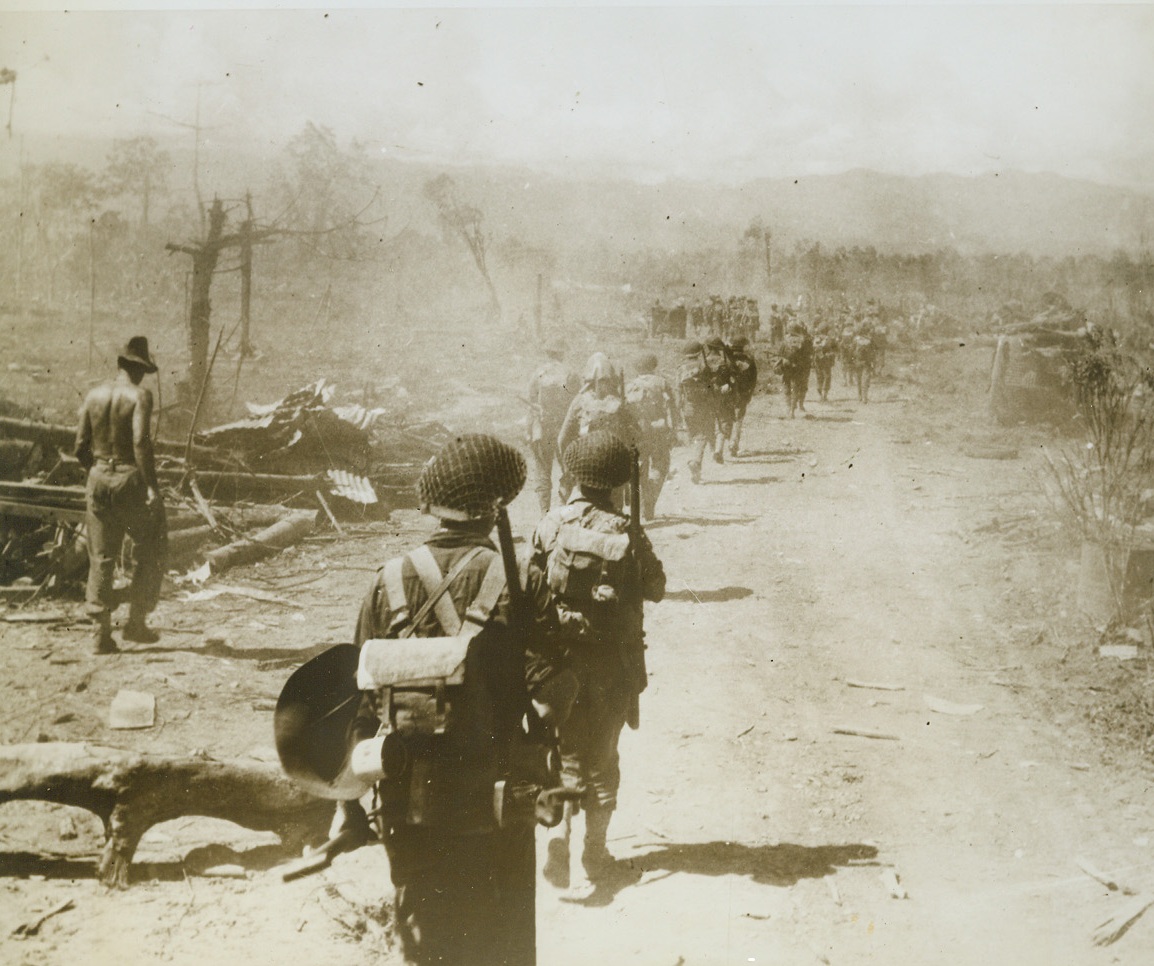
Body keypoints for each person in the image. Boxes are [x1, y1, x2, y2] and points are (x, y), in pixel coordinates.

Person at [333, 433, 576, 965]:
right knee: (503, 933)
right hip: (498, 793)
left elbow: (357, 697)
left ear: (432, 507)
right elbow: (553, 691)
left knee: (423, 929)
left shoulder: (387, 580)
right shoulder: (520, 577)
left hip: (405, 791)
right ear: (494, 508)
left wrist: (349, 805)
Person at [532, 431, 665, 896]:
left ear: (573, 474)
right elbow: (656, 587)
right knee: (603, 758)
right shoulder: (626, 530)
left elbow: (531, 586)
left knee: (564, 752)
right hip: (613, 665)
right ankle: (596, 852)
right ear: (615, 481)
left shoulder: (550, 523)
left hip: (558, 663)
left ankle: (559, 836)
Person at [75, 336, 165, 653]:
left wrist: (99, 473)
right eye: (142, 370)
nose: (142, 376)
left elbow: (79, 447)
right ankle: (136, 623)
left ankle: (100, 635)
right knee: (149, 546)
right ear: (137, 369)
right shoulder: (140, 395)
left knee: (101, 555)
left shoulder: (93, 394)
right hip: (129, 478)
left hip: (98, 476)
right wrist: (151, 486)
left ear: (120, 364)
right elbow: (140, 441)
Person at [555, 353, 639, 503]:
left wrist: (567, 467)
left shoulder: (580, 401)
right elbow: (635, 435)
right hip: (614, 461)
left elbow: (563, 438)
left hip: (585, 461)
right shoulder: (620, 404)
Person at [624, 352, 679, 519]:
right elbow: (671, 408)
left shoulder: (629, 386)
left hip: (637, 433)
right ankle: (649, 501)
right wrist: (674, 429)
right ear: (653, 366)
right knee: (660, 467)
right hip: (658, 431)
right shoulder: (662, 383)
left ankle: (642, 501)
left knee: (640, 468)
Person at [526, 343, 578, 514]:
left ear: (548, 353)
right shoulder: (570, 373)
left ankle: (544, 513)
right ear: (562, 354)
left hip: (542, 427)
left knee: (542, 470)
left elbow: (531, 402)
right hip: (564, 428)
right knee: (568, 468)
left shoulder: (538, 373)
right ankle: (564, 508)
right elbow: (577, 401)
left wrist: (530, 430)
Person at [676, 340, 715, 484]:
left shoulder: (680, 368)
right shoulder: (704, 367)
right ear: (699, 353)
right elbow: (711, 386)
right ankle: (695, 461)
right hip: (704, 406)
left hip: (688, 406)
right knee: (703, 436)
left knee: (692, 436)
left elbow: (678, 390)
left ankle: (696, 472)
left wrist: (679, 408)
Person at [704, 336, 736, 463]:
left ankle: (713, 450)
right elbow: (734, 377)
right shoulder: (726, 361)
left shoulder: (704, 361)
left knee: (710, 422)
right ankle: (718, 449)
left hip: (708, 396)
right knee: (724, 421)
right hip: (724, 395)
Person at [726, 335, 758, 456]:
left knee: (728, 416)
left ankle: (729, 441)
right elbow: (753, 379)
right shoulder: (749, 361)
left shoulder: (727, 360)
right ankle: (734, 443)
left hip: (728, 393)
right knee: (739, 418)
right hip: (743, 394)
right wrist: (749, 392)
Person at [778, 321, 814, 418]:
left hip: (787, 367)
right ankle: (798, 406)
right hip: (801, 368)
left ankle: (789, 408)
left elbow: (780, 353)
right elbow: (809, 354)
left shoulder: (785, 340)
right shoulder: (805, 340)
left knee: (787, 387)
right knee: (798, 387)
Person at [812, 324, 839, 402]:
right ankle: (824, 394)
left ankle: (820, 391)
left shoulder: (815, 339)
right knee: (827, 376)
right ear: (827, 331)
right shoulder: (829, 339)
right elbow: (836, 349)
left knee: (819, 376)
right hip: (826, 360)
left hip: (817, 360)